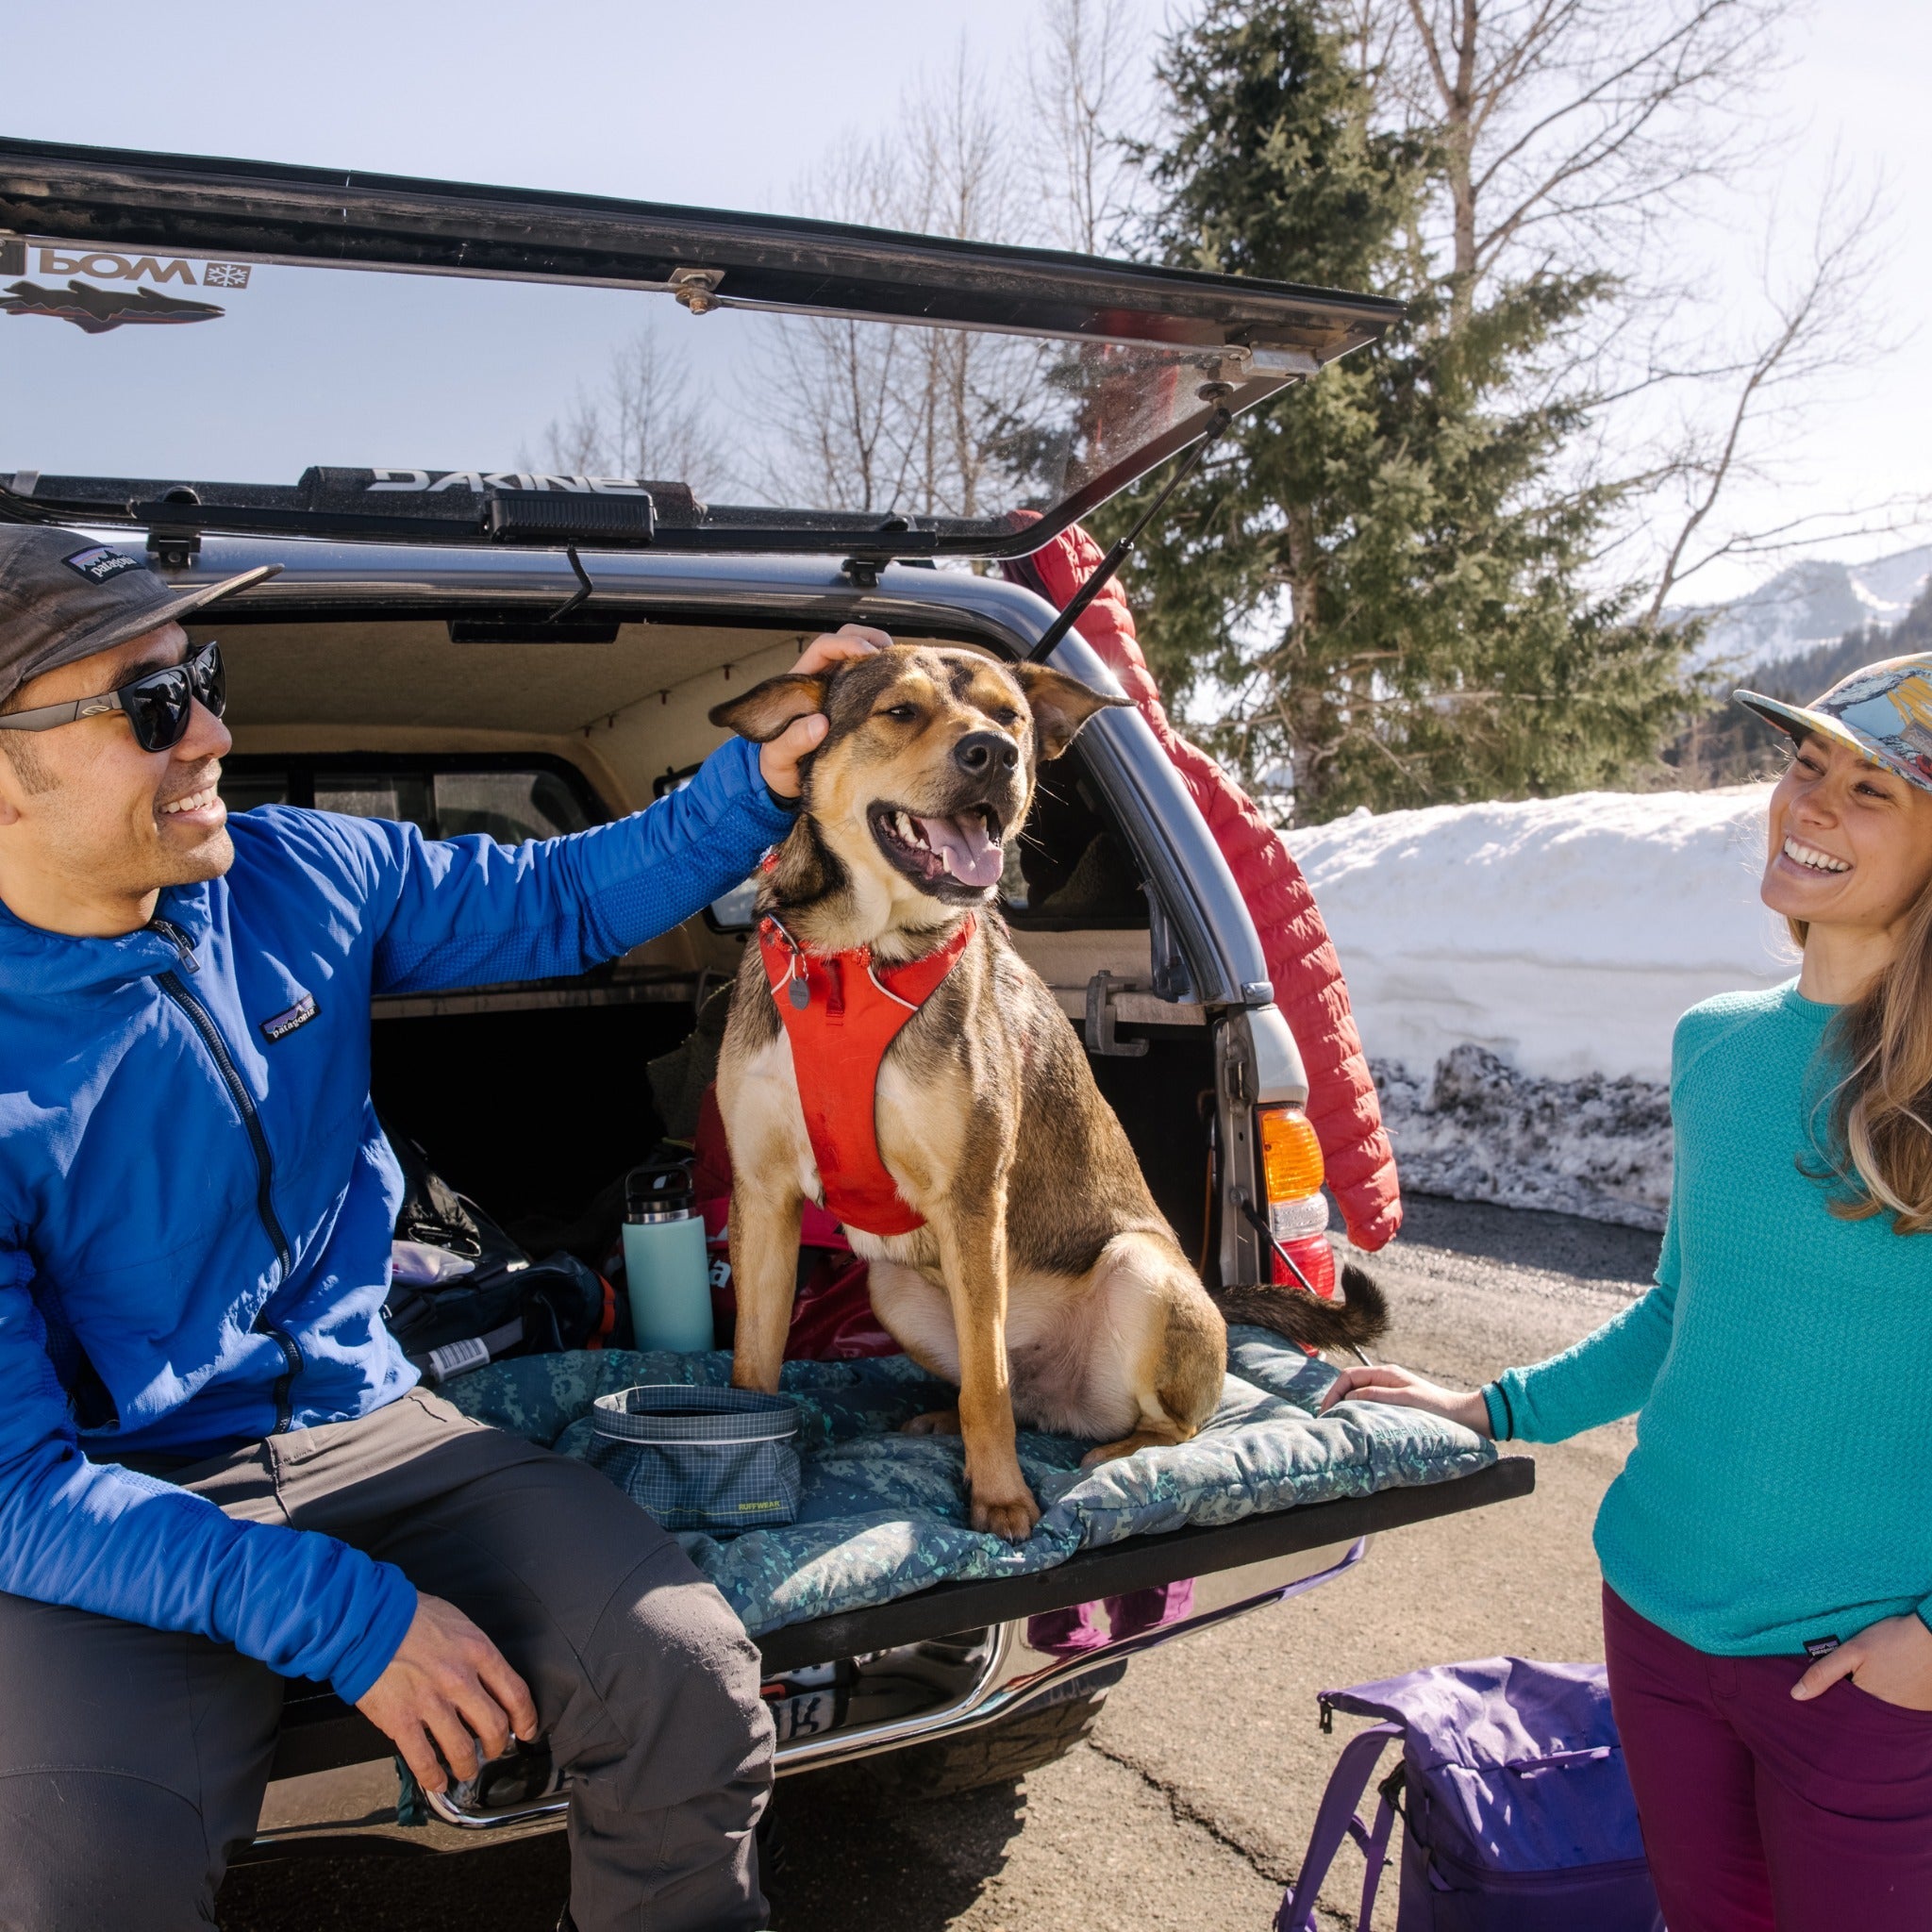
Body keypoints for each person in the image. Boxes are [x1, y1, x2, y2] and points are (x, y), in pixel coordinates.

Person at [0, 523, 879, 1932]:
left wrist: (757, 784)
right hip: (121, 1496)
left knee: (689, 1681)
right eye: (152, 705)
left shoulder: (299, 878)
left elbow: (564, 898)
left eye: (202, 674)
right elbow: (11, 1490)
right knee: (86, 1870)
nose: (216, 730)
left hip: (373, 1418)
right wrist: (352, 1620)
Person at [1323, 654, 1932, 1931]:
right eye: (1807, 764)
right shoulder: (1720, 1042)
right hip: (1656, 1619)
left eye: (1871, 787)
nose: (1811, 805)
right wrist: (1491, 1408)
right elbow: (1679, 1314)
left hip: (1865, 1674)